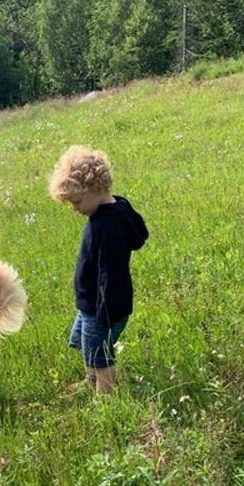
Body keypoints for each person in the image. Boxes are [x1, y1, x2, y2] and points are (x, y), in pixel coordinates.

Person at [49, 146, 148, 394]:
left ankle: (104, 398)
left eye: (77, 201)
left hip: (102, 307)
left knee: (100, 354)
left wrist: (105, 313)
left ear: (96, 188)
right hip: (90, 303)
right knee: (88, 346)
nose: (74, 208)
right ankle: (90, 380)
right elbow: (140, 232)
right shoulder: (118, 206)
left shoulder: (108, 226)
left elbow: (110, 274)